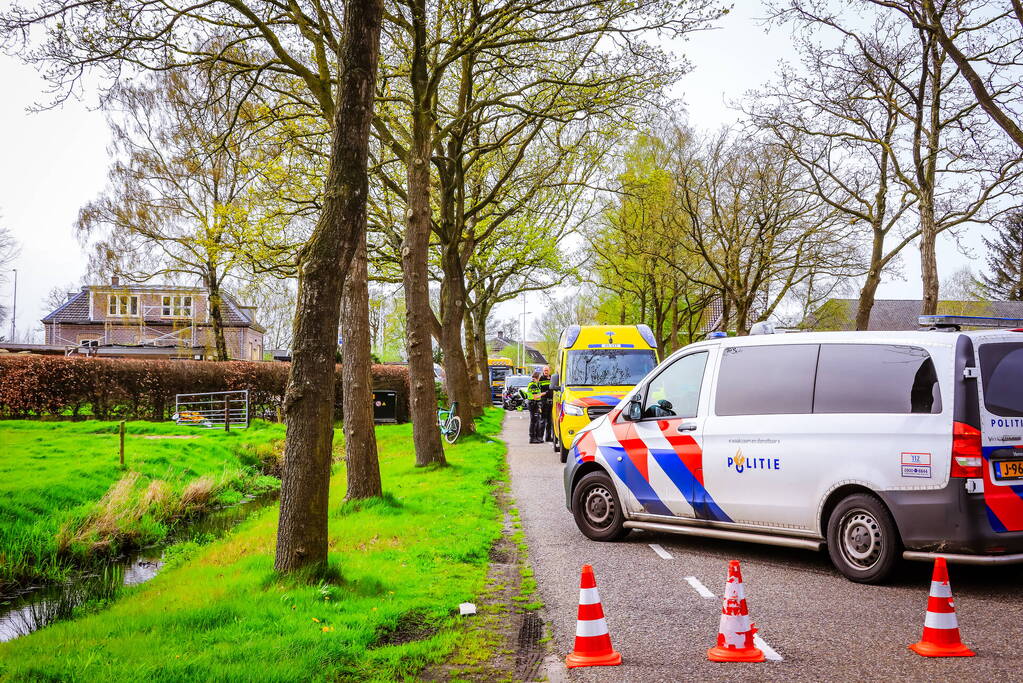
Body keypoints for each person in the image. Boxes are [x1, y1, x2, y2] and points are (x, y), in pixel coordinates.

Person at [525, 371, 543, 443]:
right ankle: (532, 438)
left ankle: (536, 437)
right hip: (533, 404)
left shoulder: (536, 384)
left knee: (536, 421)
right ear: (537, 377)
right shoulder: (533, 385)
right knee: (534, 421)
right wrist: (544, 394)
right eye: (539, 377)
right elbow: (535, 396)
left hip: (535, 404)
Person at [539, 365, 554, 442]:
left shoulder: (552, 378)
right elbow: (539, 390)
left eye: (547, 370)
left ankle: (548, 437)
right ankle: (540, 437)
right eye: (545, 370)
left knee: (550, 421)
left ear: (549, 371)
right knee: (542, 420)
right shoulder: (541, 379)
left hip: (551, 401)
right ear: (543, 371)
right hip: (544, 401)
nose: (546, 372)